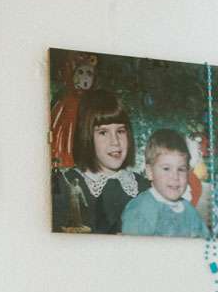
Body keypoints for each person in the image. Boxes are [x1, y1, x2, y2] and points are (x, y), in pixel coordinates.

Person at [51, 89, 149, 234]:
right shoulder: (64, 185)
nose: (115, 141)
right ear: (87, 136)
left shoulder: (144, 187)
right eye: (103, 132)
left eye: (120, 131)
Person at [121, 129, 210, 238]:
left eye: (181, 169)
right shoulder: (140, 210)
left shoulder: (190, 211)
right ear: (150, 172)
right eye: (166, 169)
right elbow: (132, 247)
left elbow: (204, 242)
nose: (175, 177)